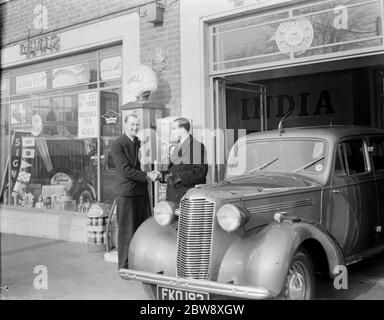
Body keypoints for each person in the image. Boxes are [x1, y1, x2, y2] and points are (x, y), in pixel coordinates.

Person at [110, 114, 159, 269]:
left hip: (140, 191)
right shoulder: (117, 144)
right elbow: (125, 170)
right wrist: (147, 175)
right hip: (126, 193)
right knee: (126, 231)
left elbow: (136, 166)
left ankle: (138, 263)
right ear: (125, 124)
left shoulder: (137, 141)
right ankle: (124, 266)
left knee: (141, 228)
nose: (134, 127)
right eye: (132, 124)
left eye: (137, 125)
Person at [160, 118, 208, 204]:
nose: (172, 132)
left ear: (182, 130)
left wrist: (179, 177)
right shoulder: (177, 147)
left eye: (174, 128)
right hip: (172, 197)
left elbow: (200, 172)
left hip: (186, 198)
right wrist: (162, 175)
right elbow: (174, 170)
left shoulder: (197, 146)